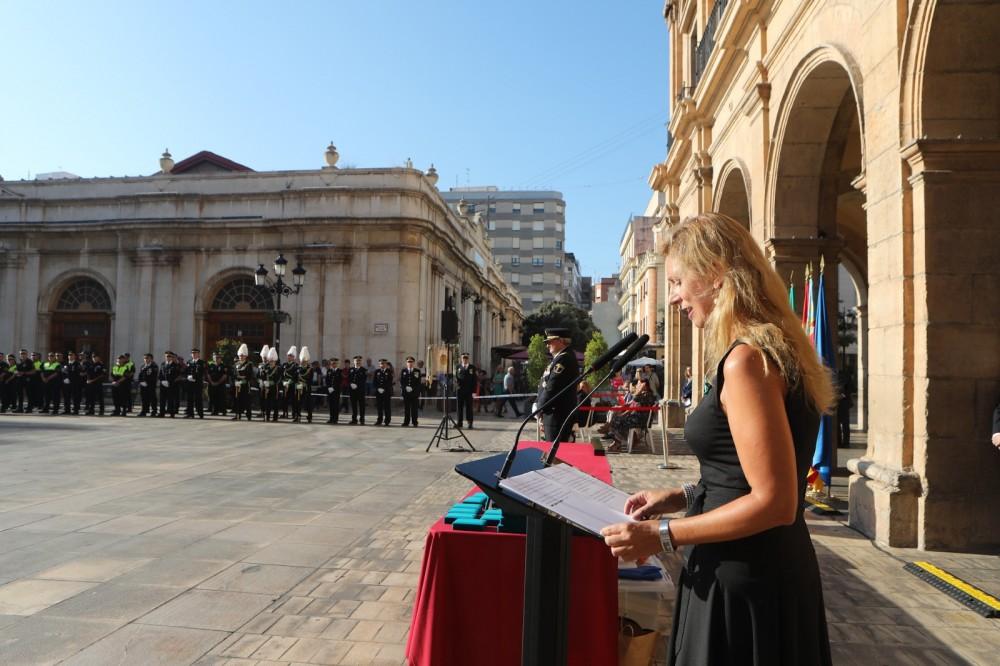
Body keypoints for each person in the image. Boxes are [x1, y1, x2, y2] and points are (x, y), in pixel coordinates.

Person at [600, 213, 834, 665]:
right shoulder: (772, 348)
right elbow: (741, 476)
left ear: (714, 274)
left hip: (744, 577)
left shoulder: (746, 361)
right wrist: (682, 494)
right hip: (764, 569)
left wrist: (661, 535)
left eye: (677, 281)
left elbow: (775, 501)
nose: (672, 298)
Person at [536, 328, 580, 442]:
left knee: (555, 454)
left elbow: (552, 387)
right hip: (553, 412)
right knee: (553, 453)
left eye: (549, 342)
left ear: (560, 341)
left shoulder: (564, 359)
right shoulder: (561, 358)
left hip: (557, 414)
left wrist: (539, 408)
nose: (547, 345)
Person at [598, 379, 657, 451]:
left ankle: (618, 440)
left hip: (640, 420)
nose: (637, 386)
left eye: (639, 384)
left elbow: (635, 400)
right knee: (616, 419)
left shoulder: (648, 395)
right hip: (636, 417)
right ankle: (618, 441)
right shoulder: (643, 394)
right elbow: (632, 404)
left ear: (644, 385)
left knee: (616, 420)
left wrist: (639, 391)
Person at [232, 344, 255, 421]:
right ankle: (238, 414)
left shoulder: (249, 364)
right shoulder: (236, 364)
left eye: (242, 355)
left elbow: (250, 375)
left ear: (245, 356)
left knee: (246, 400)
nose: (241, 357)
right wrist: (236, 380)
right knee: (237, 400)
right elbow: (234, 374)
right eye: (240, 355)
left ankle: (249, 415)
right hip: (238, 385)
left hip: (245, 385)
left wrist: (243, 379)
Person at [455, 353, 477, 429]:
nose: (465, 360)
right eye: (463, 358)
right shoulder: (458, 367)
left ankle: (470, 422)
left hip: (469, 391)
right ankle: (459, 422)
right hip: (460, 390)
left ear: (468, 359)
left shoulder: (472, 367)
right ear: (461, 359)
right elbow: (456, 377)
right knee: (459, 407)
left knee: (469, 407)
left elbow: (474, 380)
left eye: (466, 358)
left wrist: (474, 392)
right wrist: (456, 385)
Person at [259, 347, 281, 422]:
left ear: (275, 361)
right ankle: (267, 416)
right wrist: (264, 381)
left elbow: (279, 378)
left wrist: (272, 382)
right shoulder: (266, 368)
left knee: (275, 402)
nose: (271, 362)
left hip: (275, 387)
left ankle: (275, 417)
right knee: (267, 402)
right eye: (270, 361)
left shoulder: (278, 369)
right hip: (267, 387)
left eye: (272, 361)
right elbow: (263, 376)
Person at [399, 355, 421, 427]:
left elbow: (418, 382)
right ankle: (406, 421)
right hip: (406, 393)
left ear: (414, 363)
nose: (410, 363)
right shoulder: (404, 371)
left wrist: (413, 388)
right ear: (406, 363)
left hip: (414, 393)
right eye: (408, 362)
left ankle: (415, 422)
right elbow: (402, 381)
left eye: (411, 362)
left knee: (414, 409)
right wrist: (405, 387)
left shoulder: (417, 371)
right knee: (407, 408)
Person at [184, 348, 206, 419]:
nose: (194, 354)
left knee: (198, 399)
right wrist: (187, 376)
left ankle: (200, 413)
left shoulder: (202, 362)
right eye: (193, 353)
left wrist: (193, 377)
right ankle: (190, 413)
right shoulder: (189, 362)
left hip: (197, 383)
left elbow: (202, 372)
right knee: (189, 399)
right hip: (190, 383)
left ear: (198, 354)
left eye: (195, 353)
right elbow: (185, 371)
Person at [158, 351, 180, 417]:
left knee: (171, 400)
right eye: (167, 356)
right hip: (163, 385)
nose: (168, 357)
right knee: (162, 400)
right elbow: (160, 374)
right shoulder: (163, 364)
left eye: (169, 356)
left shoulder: (175, 365)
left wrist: (170, 382)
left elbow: (177, 376)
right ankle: (162, 413)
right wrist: (162, 381)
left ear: (172, 357)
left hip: (171, 385)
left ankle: (171, 413)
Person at [61, 351, 84, 415]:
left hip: (75, 383)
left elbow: (79, 373)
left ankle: (75, 410)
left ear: (74, 356)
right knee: (66, 397)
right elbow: (63, 372)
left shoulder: (77, 364)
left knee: (75, 397)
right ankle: (67, 410)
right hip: (66, 383)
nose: (70, 356)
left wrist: (70, 379)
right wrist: (65, 379)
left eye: (71, 355)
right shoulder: (65, 364)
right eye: (69, 355)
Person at [84, 352, 106, 416]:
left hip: (98, 383)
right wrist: (88, 380)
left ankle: (101, 411)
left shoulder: (101, 365)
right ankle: (91, 410)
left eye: (95, 357)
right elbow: (88, 373)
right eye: (93, 357)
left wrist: (92, 380)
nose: (94, 358)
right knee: (91, 397)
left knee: (100, 398)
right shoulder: (91, 364)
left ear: (98, 357)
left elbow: (102, 375)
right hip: (91, 383)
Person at [207, 352, 229, 416]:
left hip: (221, 385)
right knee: (213, 398)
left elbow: (225, 376)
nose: (216, 359)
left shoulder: (223, 366)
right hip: (212, 384)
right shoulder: (211, 365)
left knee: (222, 398)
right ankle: (214, 411)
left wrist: (218, 382)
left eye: (218, 358)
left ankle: (223, 411)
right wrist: (211, 382)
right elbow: (208, 374)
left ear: (220, 359)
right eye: (215, 358)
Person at [373, 358, 393, 426]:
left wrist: (384, 388)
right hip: (378, 392)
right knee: (379, 407)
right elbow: (374, 381)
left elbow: (390, 382)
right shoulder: (377, 371)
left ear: (386, 364)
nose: (382, 365)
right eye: (381, 363)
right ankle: (379, 420)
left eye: (384, 363)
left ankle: (387, 421)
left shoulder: (389, 371)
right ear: (379, 364)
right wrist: (378, 388)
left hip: (386, 392)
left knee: (387, 407)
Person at [297, 347, 314, 423]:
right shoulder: (298, 368)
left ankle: (309, 417)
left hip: (307, 387)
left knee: (308, 403)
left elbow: (310, 379)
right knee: (298, 402)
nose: (303, 362)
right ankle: (298, 416)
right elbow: (296, 378)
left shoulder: (310, 369)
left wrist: (304, 383)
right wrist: (297, 384)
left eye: (304, 361)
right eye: (302, 360)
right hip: (299, 387)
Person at [349, 355, 367, 424]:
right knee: (354, 405)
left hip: (360, 391)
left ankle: (362, 420)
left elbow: (363, 380)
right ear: (354, 361)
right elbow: (349, 379)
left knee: (362, 406)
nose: (357, 362)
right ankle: (354, 419)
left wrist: (357, 385)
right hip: (352, 391)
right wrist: (351, 384)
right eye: (356, 361)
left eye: (359, 361)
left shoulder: (363, 370)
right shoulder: (351, 369)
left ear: (361, 362)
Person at [325, 356, 342, 424]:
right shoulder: (329, 371)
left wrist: (334, 388)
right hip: (330, 391)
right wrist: (329, 387)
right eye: (332, 363)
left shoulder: (339, 371)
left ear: (337, 364)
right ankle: (331, 418)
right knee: (331, 405)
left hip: (336, 391)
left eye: (335, 363)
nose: (333, 365)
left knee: (336, 405)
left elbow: (340, 381)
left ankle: (335, 419)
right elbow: (327, 380)